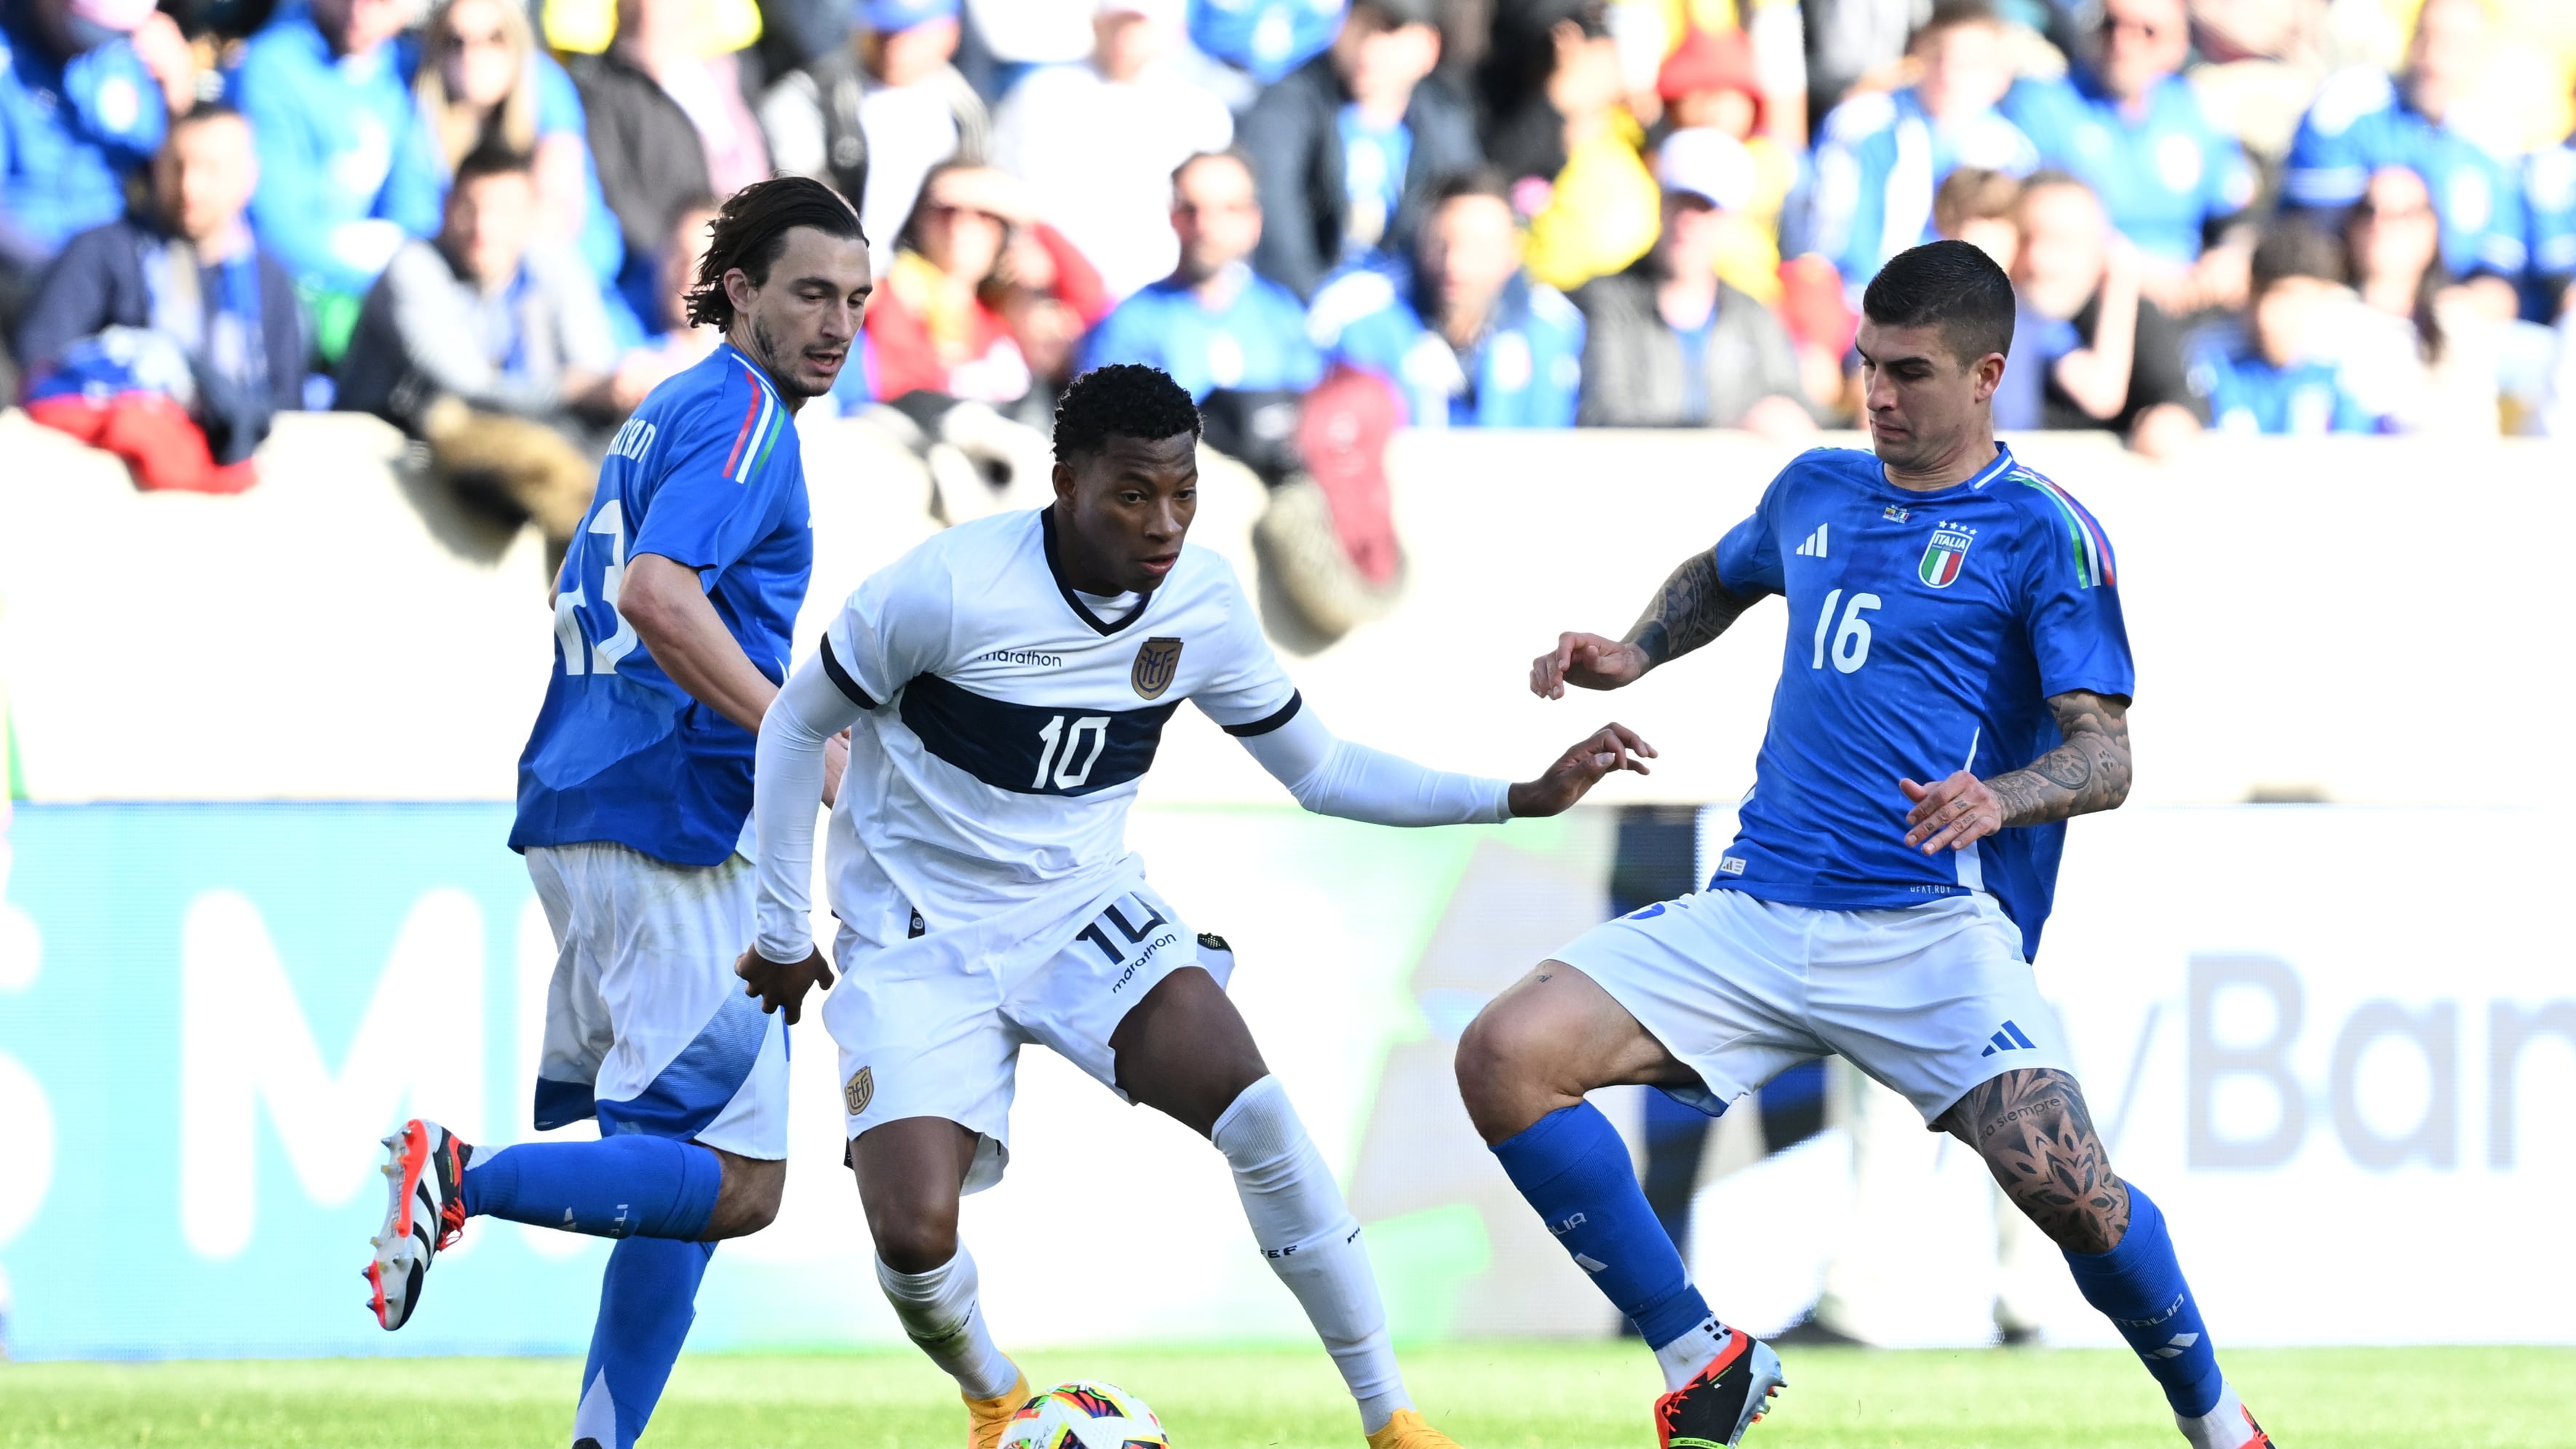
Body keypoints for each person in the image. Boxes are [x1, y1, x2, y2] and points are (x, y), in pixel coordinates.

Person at [733, 360, 1653, 1449]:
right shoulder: (943, 589)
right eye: (1133, 493)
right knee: (915, 1238)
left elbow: (1321, 770)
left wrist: (1515, 796)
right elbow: (795, 726)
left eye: (1184, 493)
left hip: (1085, 912)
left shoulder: (1203, 599)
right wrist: (783, 928)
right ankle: (995, 1397)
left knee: (1258, 1111)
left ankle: (1393, 1420)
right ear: (1065, 481)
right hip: (916, 937)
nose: (1164, 522)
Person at [1452, 238, 2275, 1449]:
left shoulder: (2046, 531)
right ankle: (1703, 1354)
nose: (1879, 394)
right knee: (1505, 1055)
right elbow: (1725, 572)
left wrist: (2002, 795)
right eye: (1866, 367)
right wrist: (1635, 651)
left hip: (1932, 928)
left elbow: (2108, 755)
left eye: (1911, 372)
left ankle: (2219, 1426)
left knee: (2075, 1194)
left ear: (1989, 374)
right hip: (1759, 904)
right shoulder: (1816, 488)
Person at [360, 178, 872, 1449]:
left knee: (675, 1175)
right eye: (811, 291)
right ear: (740, 290)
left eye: (857, 300)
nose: (838, 323)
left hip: (590, 795)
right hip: (679, 818)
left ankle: (600, 1444)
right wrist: (794, 732)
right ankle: (456, 1177)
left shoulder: (673, 409)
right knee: (743, 1186)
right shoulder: (747, 416)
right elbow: (656, 593)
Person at [335, 146, 627, 560]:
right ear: (446, 206)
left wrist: (617, 389)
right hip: (394, 458)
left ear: (530, 217)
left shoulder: (555, 263)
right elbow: (469, 386)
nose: (483, 228)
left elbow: (595, 369)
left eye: (503, 212)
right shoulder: (412, 267)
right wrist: (575, 389)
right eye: (469, 208)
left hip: (524, 443)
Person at [16, 103, 305, 493]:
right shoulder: (103, 252)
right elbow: (38, 369)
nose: (190, 187)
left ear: (247, 177)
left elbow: (286, 409)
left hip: (236, 486)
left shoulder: (268, 280)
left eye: (210, 169)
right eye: (178, 165)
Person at [1999, 0, 2258, 317]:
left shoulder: (2193, 108)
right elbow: (2020, 212)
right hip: (2091, 291)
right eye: (2111, 26)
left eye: (2147, 32)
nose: (2124, 43)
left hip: (2188, 290)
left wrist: (2231, 255)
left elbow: (2235, 212)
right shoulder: (2045, 104)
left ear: (2179, 44)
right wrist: (2131, 269)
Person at [1570, 127, 1817, 437]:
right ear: (1661, 207)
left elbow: (1794, 403)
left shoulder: (1751, 313)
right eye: (1680, 203)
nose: (1689, 220)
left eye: (1705, 207)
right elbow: (1603, 414)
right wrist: (1732, 430)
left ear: (1727, 220)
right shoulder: (1607, 302)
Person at [229, 0, 445, 352]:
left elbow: (418, 212)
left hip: (377, 295)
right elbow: (277, 230)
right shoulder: (272, 65)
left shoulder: (406, 69)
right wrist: (384, 258)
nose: (359, 11)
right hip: (291, 296)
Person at [2280, 0, 2524, 309]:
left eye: (2454, 44)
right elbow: (2308, 241)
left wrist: (2455, 312)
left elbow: (2499, 279)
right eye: (2425, 35)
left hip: (2440, 324)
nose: (2434, 55)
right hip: (2340, 306)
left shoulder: (2492, 142)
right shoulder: (2350, 104)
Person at [992, 0, 1234, 301]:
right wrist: (1025, 246)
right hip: (1059, 297)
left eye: (1139, 24)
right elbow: (1005, 186)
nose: (1126, 36)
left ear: (1174, 32)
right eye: (1117, 23)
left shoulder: (1202, 114)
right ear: (1097, 25)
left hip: (1161, 300)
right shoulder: (1038, 96)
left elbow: (1221, 215)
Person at [1238, 0, 1481, 299]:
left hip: (1404, 311)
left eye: (1390, 31)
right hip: (1302, 303)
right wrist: (1316, 303)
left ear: (1429, 48)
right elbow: (1275, 217)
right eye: (1362, 26)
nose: (1370, 47)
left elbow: (1474, 214)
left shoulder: (1443, 119)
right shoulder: (1288, 103)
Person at [1308, 170, 1585, 427]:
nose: (1455, 263)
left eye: (1479, 245)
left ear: (1512, 250)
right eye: (1440, 243)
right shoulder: (1359, 313)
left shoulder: (1554, 328)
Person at [1802, 0, 2038, 301]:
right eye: (1939, 57)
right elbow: (1829, 240)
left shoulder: (2012, 153)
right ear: (1917, 53)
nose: (1949, 75)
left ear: (2000, 76)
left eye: (1970, 64)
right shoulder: (1862, 124)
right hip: (1859, 304)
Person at [756, 0, 990, 279]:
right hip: (835, 276)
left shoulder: (964, 108)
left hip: (925, 287)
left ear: (948, 33)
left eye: (909, 31)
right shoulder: (812, 97)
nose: (893, 43)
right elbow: (800, 197)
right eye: (882, 29)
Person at [1079, 150, 1324, 402]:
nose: (1206, 226)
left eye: (1229, 209)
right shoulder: (1131, 325)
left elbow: (1312, 408)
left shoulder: (1281, 312)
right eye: (1191, 209)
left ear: (1254, 221)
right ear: (1173, 216)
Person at [416, 0, 624, 293]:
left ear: (516, 41)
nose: (473, 54)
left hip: (567, 280)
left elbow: (559, 217)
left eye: (494, 37)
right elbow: (414, 219)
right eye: (455, 40)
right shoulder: (420, 108)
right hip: (458, 285)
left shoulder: (545, 87)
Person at [865, 162, 1108, 413]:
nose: (960, 225)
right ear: (919, 219)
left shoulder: (1002, 313)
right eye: (946, 210)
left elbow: (1092, 304)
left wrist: (1026, 211)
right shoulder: (893, 293)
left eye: (983, 213)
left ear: (1004, 231)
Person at [2005, 170, 2202, 456]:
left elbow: (2175, 403)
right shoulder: (2001, 318)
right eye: (2025, 238)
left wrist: (2167, 424)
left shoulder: (2137, 317)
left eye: (2063, 242)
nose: (2039, 260)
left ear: (2102, 247)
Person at [0, 0, 176, 300]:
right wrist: (68, 280)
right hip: (28, 271)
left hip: (117, 265)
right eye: (86, 26)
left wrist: (176, 98)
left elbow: (167, 175)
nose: (91, 43)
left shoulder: (124, 52)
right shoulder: (9, 58)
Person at [2340, 163, 2502, 434]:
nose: (2382, 225)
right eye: (2369, 211)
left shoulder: (2458, 324)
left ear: (2433, 228)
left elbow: (2476, 433)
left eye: (2405, 214)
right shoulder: (2324, 317)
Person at [2188, 221, 2382, 434]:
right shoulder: (2213, 360)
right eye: (2258, 295)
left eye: (2287, 296)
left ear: (2326, 297)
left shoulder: (2354, 362)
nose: (2267, 312)